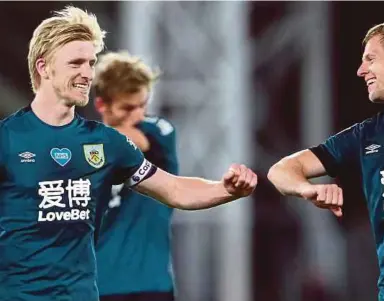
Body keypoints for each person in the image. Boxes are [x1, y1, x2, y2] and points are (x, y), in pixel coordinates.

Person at [0, 6, 257, 301]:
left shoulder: (106, 144)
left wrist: (226, 189)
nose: (86, 73)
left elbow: (174, 188)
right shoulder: (8, 139)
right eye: (75, 63)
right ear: (43, 68)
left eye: (90, 62)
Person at [267, 16, 384, 300]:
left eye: (371, 59)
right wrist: (308, 188)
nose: (361, 70)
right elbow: (281, 170)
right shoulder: (364, 136)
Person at [92, 51, 179, 301]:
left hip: (151, 285)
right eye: (128, 108)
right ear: (101, 105)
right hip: (98, 287)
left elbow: (134, 140)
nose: (138, 115)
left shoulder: (159, 131)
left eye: (143, 105)